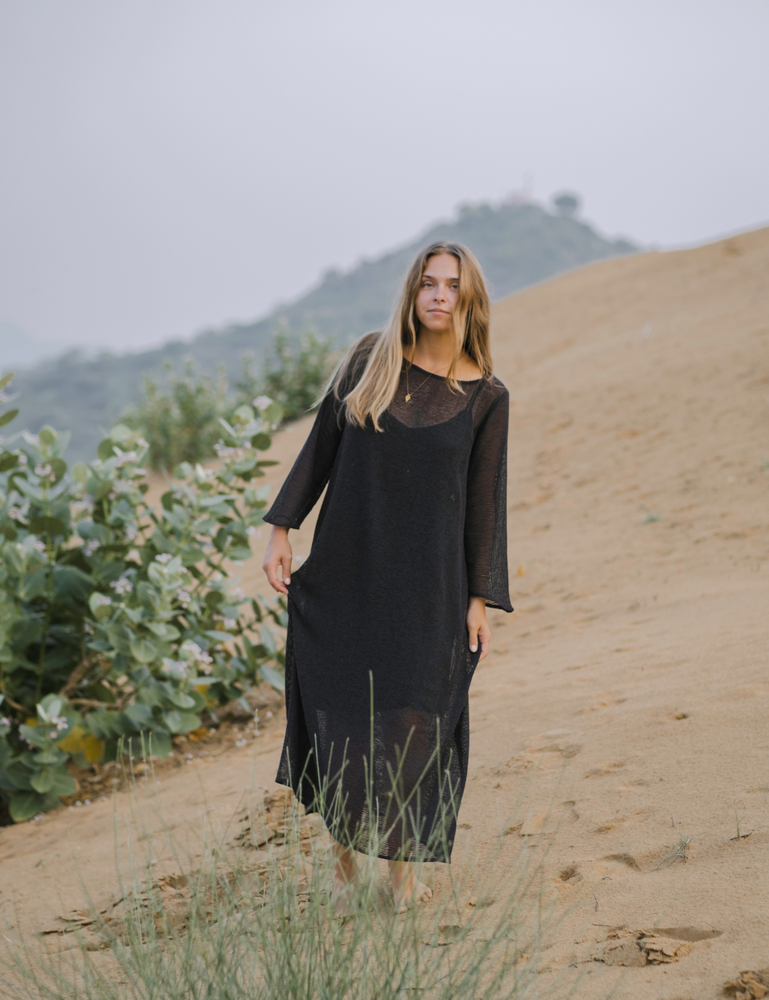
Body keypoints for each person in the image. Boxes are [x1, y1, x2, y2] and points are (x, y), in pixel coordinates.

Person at [261, 242, 512, 914]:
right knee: (343, 724)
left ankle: (400, 884)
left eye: (450, 286)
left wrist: (479, 600)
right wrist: (281, 529)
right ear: (412, 291)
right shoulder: (370, 360)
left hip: (427, 592)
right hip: (345, 579)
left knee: (411, 729)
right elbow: (318, 449)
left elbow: (484, 506)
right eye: (426, 283)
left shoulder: (484, 396)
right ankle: (346, 877)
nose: (437, 295)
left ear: (468, 299)